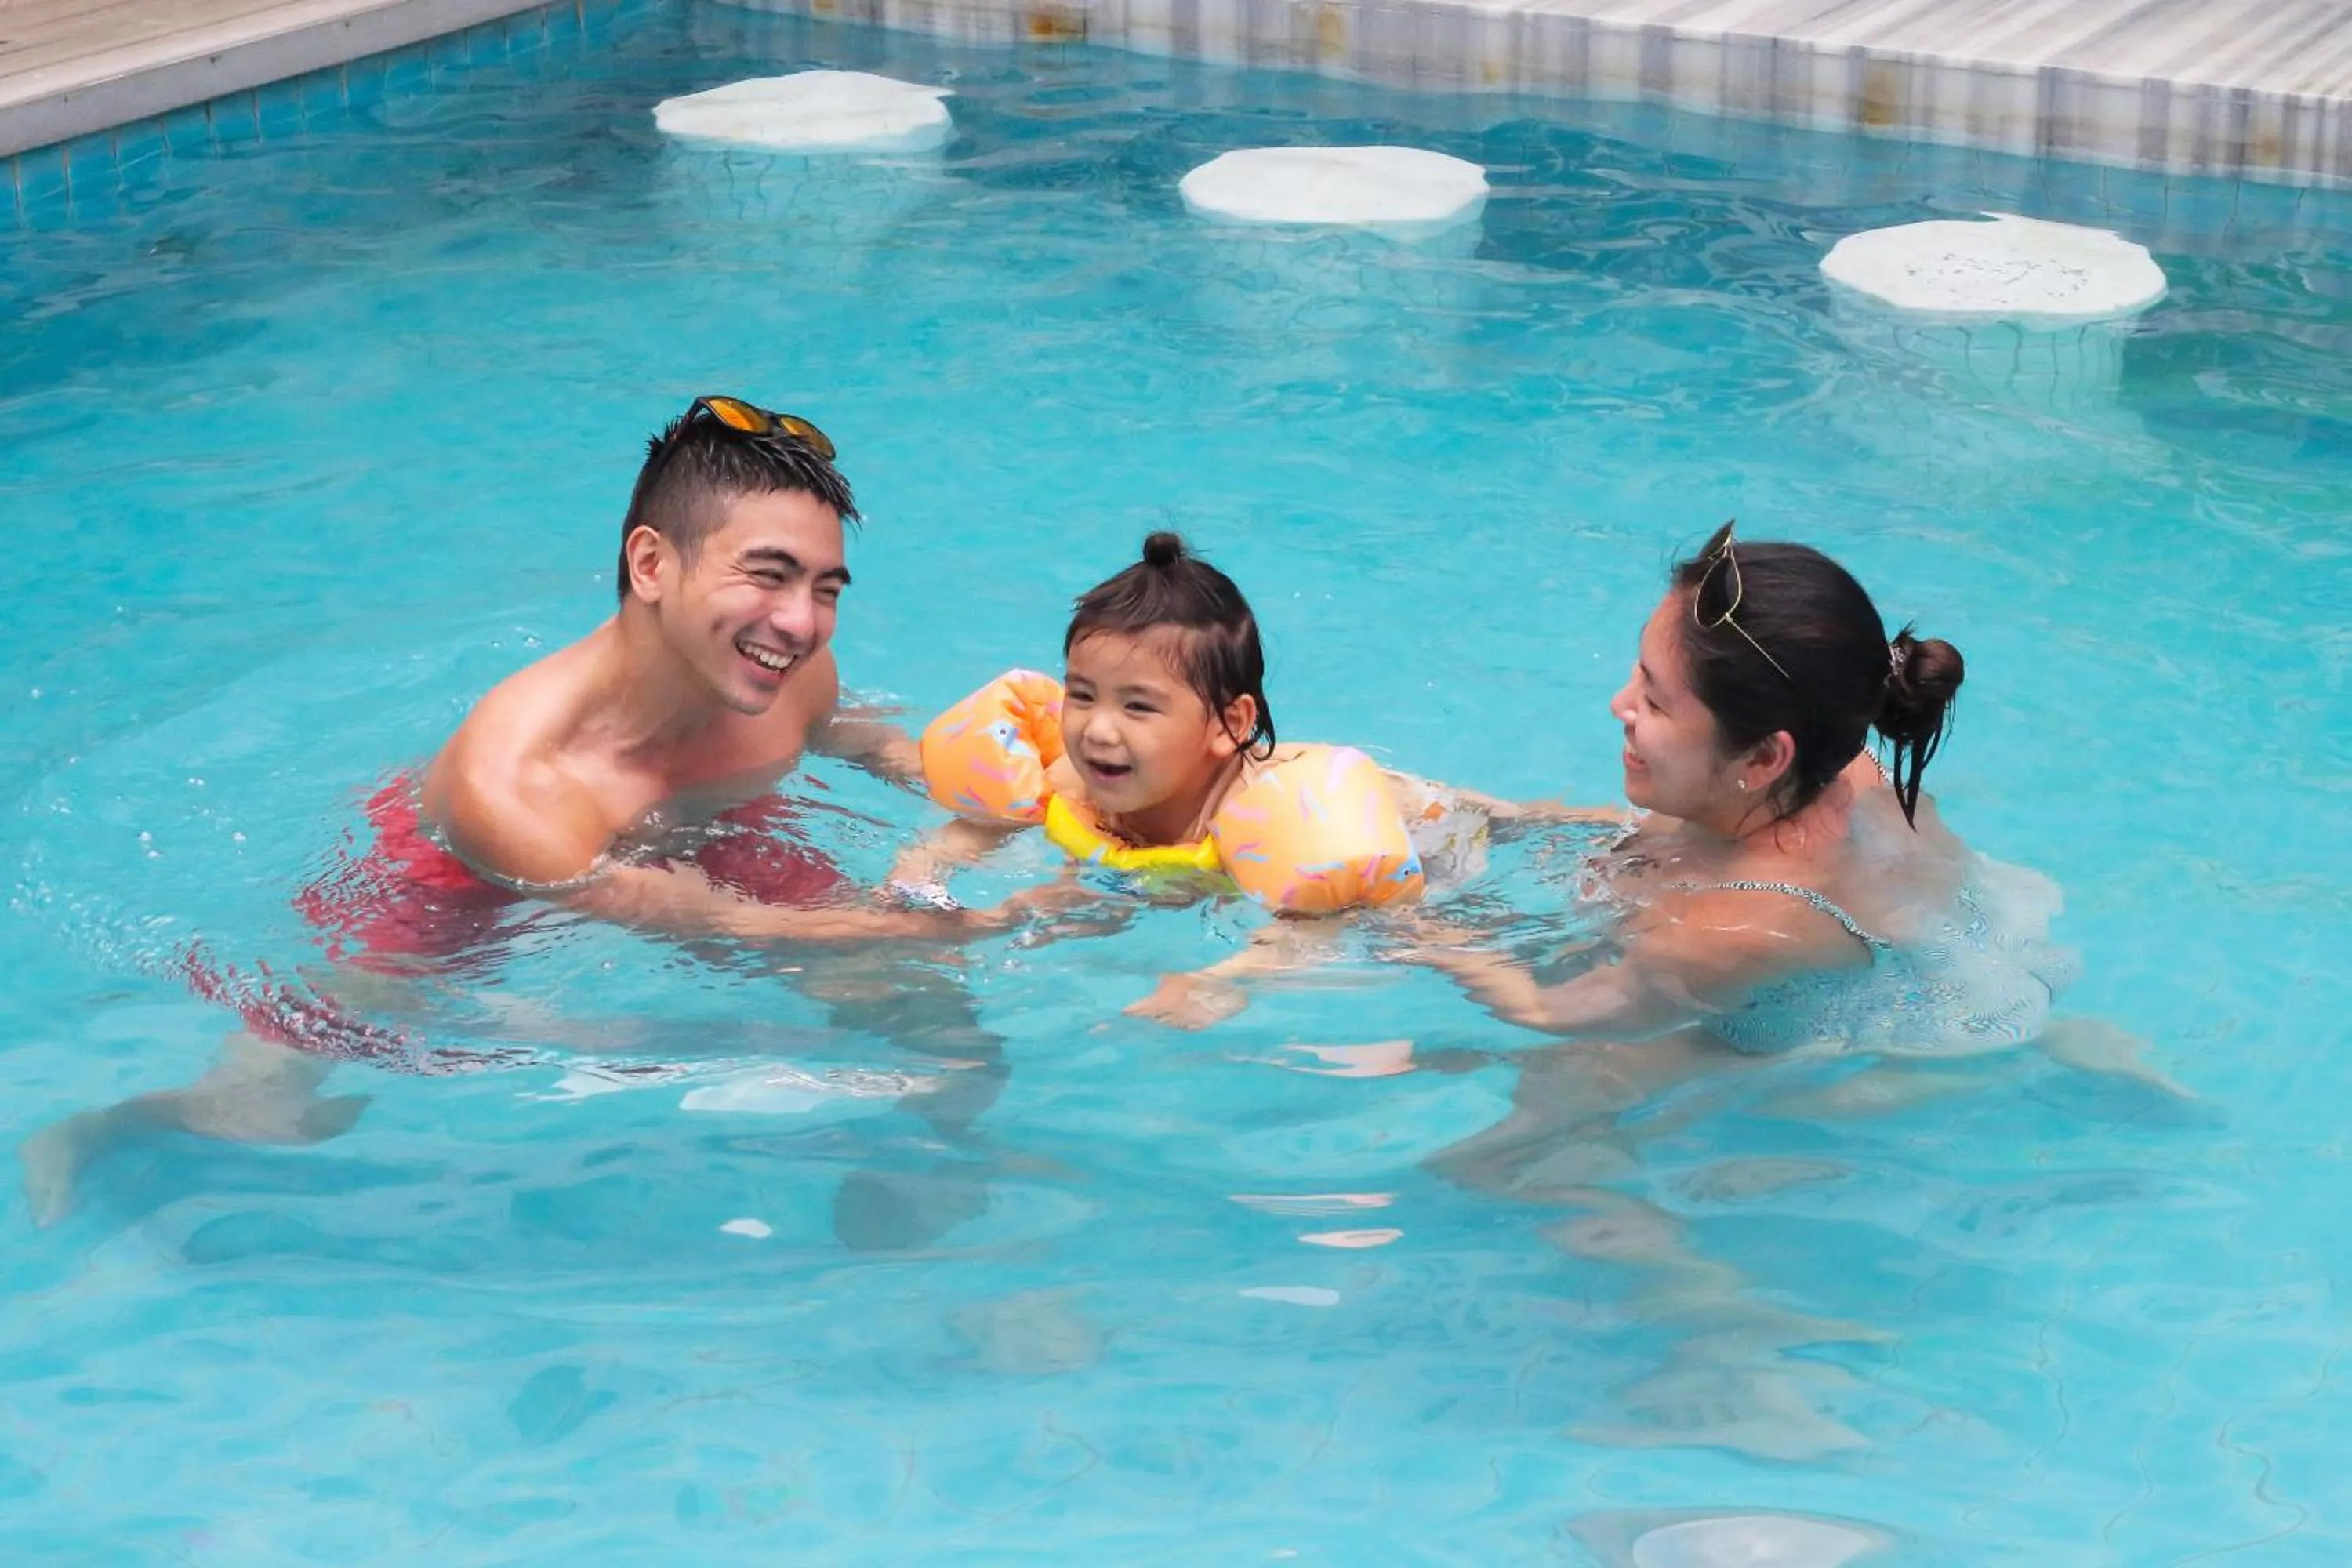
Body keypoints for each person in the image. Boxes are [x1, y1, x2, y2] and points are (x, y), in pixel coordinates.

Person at [24, 396, 1054, 1229]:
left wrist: (1027, 792)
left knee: (940, 1022)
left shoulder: (789, 668)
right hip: (463, 878)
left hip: (708, 823)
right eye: (770, 577)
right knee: (261, 1102)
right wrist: (954, 920)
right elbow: (710, 924)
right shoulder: (512, 784)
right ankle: (107, 1129)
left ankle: (913, 1181)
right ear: (651, 565)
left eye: (826, 588)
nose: (802, 620)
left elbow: (869, 744)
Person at [892, 531, 1501, 1026]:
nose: (1098, 731)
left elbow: (1312, 932)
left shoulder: (1273, 821)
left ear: (1227, 723)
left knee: (1421, 935)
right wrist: (921, 892)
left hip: (1411, 831)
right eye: (1082, 696)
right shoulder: (1069, 782)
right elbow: (962, 837)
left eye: (1138, 707)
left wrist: (1222, 983)